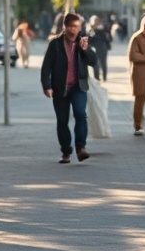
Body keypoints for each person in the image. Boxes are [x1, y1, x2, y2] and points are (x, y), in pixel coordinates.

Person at [40, 12, 100, 163]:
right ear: (65, 27)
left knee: (80, 114)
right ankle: (66, 151)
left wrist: (85, 50)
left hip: (78, 87)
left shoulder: (83, 42)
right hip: (60, 88)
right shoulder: (55, 44)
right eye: (71, 26)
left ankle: (81, 148)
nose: (74, 29)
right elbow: (46, 67)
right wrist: (46, 85)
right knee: (62, 120)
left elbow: (93, 61)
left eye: (77, 26)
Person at [86, 15, 112, 81]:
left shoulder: (102, 29)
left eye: (96, 20)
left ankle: (104, 77)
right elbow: (89, 39)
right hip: (94, 49)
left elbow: (107, 36)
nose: (95, 22)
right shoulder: (90, 30)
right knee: (95, 64)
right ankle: (97, 78)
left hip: (103, 48)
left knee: (103, 63)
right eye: (94, 21)